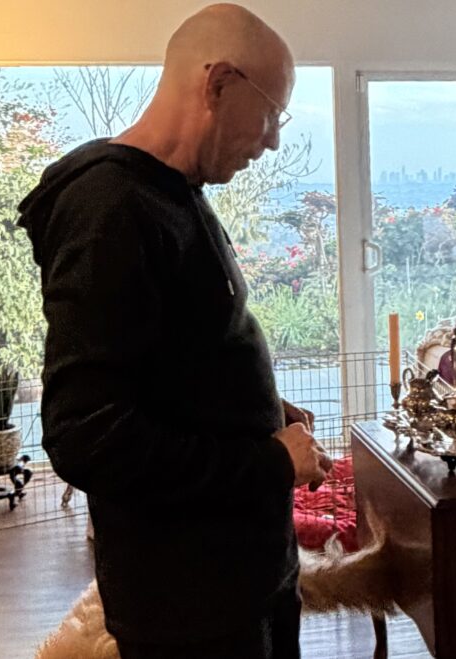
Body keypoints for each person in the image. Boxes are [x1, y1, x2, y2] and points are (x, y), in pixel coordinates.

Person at [17, 5, 332, 657]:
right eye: (271, 115)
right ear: (218, 83)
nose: (272, 142)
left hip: (243, 576)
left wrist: (258, 410)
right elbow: (89, 437)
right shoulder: (109, 208)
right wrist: (270, 461)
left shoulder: (173, 191)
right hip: (192, 604)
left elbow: (176, 362)